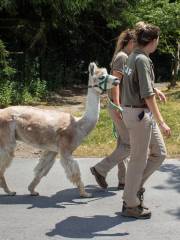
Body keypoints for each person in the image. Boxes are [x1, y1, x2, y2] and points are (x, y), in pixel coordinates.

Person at [121, 22, 171, 219]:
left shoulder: (134, 55)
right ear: (152, 41)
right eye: (157, 40)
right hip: (140, 115)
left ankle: (133, 189)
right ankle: (131, 204)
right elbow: (146, 96)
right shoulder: (141, 60)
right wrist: (162, 121)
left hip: (136, 113)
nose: (157, 43)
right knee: (137, 160)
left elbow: (136, 84)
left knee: (159, 153)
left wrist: (154, 88)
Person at [90, 29, 135, 190]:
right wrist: (117, 105)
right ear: (129, 43)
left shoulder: (124, 56)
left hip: (120, 105)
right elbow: (116, 83)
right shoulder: (122, 57)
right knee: (129, 144)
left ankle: (123, 180)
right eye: (136, 43)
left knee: (123, 143)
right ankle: (100, 169)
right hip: (119, 105)